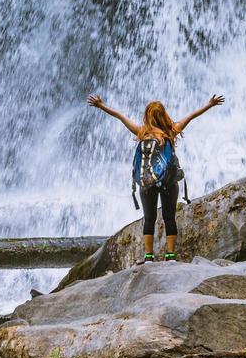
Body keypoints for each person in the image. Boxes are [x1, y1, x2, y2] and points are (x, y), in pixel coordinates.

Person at [87, 93, 225, 263]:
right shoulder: (171, 131)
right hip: (168, 181)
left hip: (147, 182)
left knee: (149, 219)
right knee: (169, 217)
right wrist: (210, 104)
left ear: (147, 116)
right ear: (163, 115)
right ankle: (170, 255)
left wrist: (101, 105)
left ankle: (149, 256)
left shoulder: (142, 132)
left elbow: (120, 116)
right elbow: (192, 116)